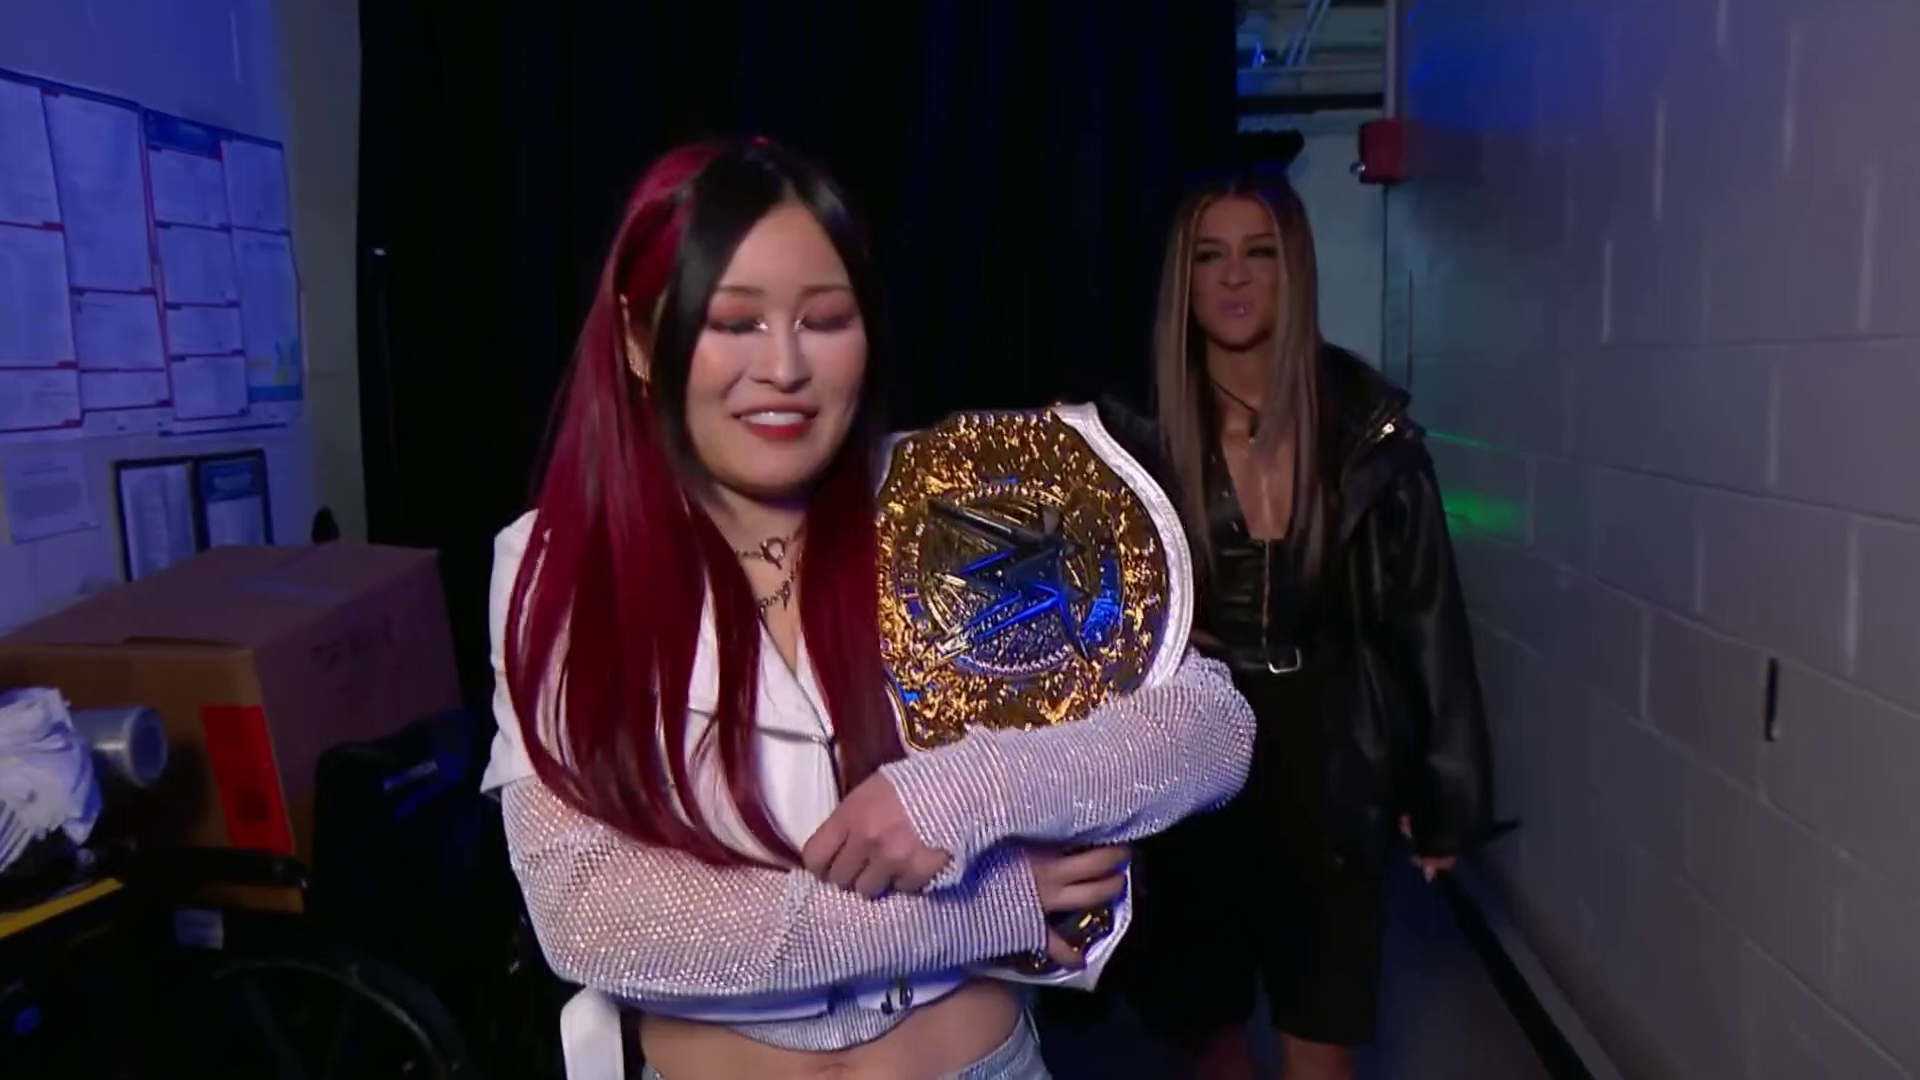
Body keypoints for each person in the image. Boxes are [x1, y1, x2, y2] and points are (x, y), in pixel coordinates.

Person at [481, 138, 1255, 1080]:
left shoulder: (957, 504)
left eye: (824, 319)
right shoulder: (560, 567)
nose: (784, 366)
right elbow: (591, 916)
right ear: (642, 342)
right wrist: (977, 913)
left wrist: (966, 793)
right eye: (734, 321)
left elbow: (1212, 729)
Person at [1101, 168, 1493, 1080]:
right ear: (1185, 279)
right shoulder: (1133, 430)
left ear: (1294, 270)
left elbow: (1427, 619)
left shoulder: (1366, 428)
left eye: (1259, 253)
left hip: (1332, 760)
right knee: (1209, 1028)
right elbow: (1084, 611)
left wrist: (1448, 795)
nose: (1235, 277)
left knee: (1323, 1036)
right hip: (1192, 761)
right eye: (1210, 257)